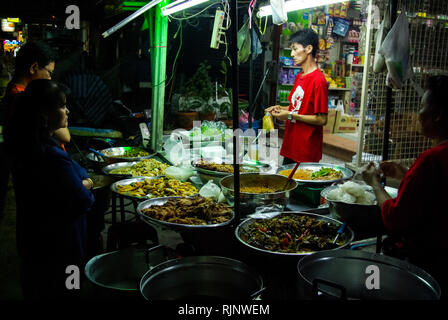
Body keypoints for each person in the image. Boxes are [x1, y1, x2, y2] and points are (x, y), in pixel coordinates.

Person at [362, 75, 448, 298]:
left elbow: (394, 218)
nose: (417, 114)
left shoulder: (432, 159)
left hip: (426, 261)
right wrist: (406, 175)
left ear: (437, 115)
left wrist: (375, 184)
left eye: (421, 107)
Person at [7, 79, 94, 300]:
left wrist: (80, 178)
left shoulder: (25, 146)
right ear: (44, 113)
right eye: (62, 106)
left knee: (37, 288)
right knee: (70, 289)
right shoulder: (52, 157)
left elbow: (78, 172)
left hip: (33, 242)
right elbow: (82, 199)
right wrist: (85, 184)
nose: (67, 110)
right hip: (63, 249)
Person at [0, 41, 70, 219]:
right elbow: (64, 135)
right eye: (49, 73)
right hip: (42, 176)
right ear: (34, 68)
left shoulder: (15, 93)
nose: (50, 80)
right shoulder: (25, 100)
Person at [266, 29, 328, 165]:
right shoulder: (299, 77)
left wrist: (290, 116)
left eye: (295, 49)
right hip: (291, 145)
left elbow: (322, 119)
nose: (292, 54)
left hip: (306, 150)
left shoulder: (318, 80)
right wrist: (280, 108)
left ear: (309, 49)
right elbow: (295, 107)